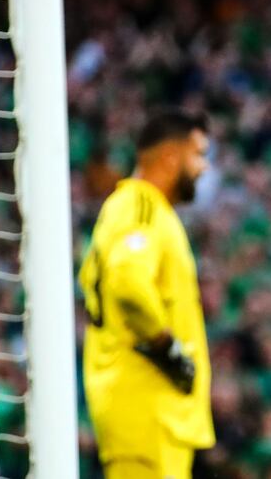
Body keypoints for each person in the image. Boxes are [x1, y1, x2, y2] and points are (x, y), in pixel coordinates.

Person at [79, 109, 215, 479]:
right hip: (142, 408)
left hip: (156, 415)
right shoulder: (138, 206)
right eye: (198, 154)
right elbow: (128, 282)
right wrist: (166, 346)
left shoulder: (150, 211)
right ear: (170, 157)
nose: (203, 168)